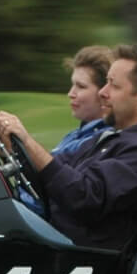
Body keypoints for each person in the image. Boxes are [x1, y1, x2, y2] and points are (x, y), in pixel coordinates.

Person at [0, 44, 137, 249]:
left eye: (114, 85)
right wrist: (10, 143)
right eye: (105, 83)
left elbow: (81, 197)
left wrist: (27, 140)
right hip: (54, 240)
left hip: (77, 258)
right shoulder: (115, 138)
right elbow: (53, 175)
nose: (103, 92)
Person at [14, 45, 115, 216]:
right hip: (25, 207)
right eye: (72, 85)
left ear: (105, 93)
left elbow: (52, 177)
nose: (71, 93)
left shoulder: (98, 141)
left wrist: (23, 141)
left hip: (40, 220)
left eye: (81, 87)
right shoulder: (76, 135)